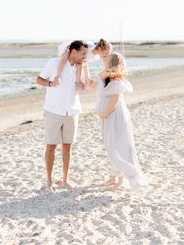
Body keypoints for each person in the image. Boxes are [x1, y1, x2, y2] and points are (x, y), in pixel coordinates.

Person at [84, 52, 148, 191]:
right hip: (108, 116)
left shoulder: (116, 79)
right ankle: (117, 177)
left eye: (107, 59)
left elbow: (115, 99)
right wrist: (85, 67)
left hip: (115, 114)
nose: (104, 60)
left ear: (112, 62)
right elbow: (91, 85)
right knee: (111, 145)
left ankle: (128, 176)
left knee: (118, 146)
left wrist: (105, 113)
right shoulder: (104, 75)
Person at [36, 40, 88, 193]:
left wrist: (82, 85)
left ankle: (65, 180)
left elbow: (83, 86)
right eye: (83, 53)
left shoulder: (81, 67)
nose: (85, 56)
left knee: (68, 146)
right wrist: (51, 84)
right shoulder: (54, 63)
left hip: (72, 111)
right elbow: (38, 80)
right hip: (53, 110)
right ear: (73, 52)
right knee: (51, 146)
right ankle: (49, 182)